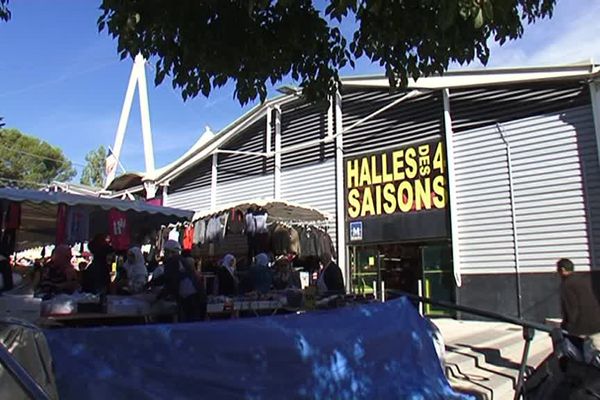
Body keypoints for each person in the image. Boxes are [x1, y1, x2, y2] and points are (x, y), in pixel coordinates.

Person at [557, 258, 600, 364]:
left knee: (587, 360)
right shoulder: (584, 280)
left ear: (562, 270)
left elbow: (572, 308)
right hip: (597, 322)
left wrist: (567, 326)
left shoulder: (566, 284)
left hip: (583, 328)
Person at [156, 240, 205, 322]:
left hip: (190, 300)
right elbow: (166, 278)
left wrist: (158, 297)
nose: (164, 254)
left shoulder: (172, 262)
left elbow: (170, 282)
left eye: (165, 252)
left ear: (170, 252)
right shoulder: (182, 261)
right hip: (199, 297)